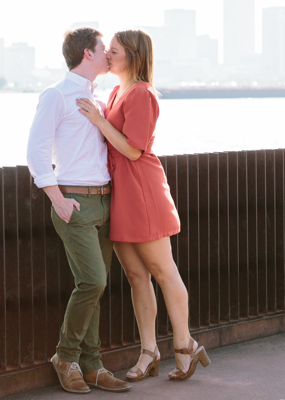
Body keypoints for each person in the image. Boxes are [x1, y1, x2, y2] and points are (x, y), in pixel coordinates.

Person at [77, 29, 211, 383]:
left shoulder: (142, 93)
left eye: (115, 51)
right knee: (137, 276)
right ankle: (149, 351)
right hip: (120, 192)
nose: (108, 56)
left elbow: (135, 149)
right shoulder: (117, 90)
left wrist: (99, 120)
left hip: (142, 190)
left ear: (133, 56)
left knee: (163, 271)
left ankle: (184, 346)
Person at [27, 27, 132, 394]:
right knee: (94, 282)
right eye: (105, 49)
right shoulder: (56, 95)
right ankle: (65, 356)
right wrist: (58, 199)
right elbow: (36, 152)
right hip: (74, 202)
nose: (109, 54)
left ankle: (93, 365)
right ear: (88, 53)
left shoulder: (98, 99)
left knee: (94, 288)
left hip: (104, 200)